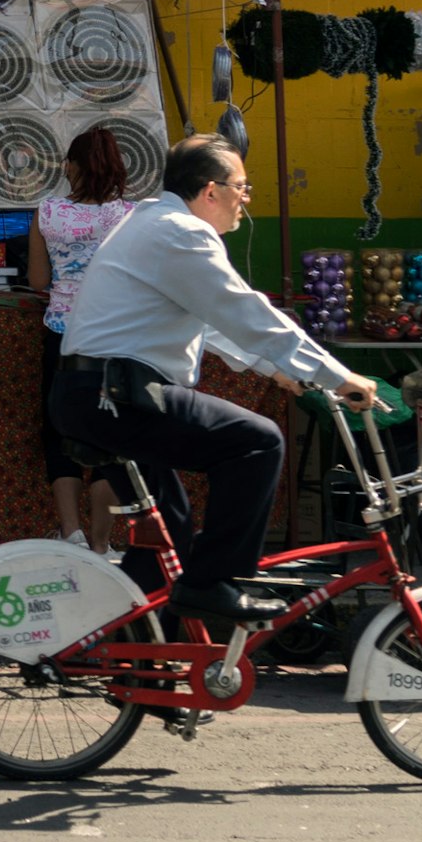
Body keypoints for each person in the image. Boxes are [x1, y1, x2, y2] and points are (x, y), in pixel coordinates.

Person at [48, 138, 385, 625]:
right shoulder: (181, 232)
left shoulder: (152, 222)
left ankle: (147, 667)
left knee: (167, 532)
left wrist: (279, 369)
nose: (245, 201)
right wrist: (336, 375)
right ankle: (213, 584)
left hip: (98, 396)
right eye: (241, 189)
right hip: (116, 396)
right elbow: (245, 312)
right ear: (210, 191)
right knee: (258, 442)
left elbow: (210, 320)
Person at [22, 125, 145, 554]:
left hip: (63, 335)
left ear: (70, 167)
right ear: (116, 169)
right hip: (117, 337)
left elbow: (38, 279)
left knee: (60, 431)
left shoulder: (47, 211)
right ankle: (100, 543)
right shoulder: (133, 216)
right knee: (112, 435)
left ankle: (70, 532)